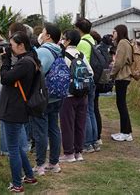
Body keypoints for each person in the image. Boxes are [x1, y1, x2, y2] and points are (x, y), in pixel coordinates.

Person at [0, 31, 40, 192]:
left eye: (12, 46)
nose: (11, 48)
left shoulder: (25, 63)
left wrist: (5, 59)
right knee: (17, 146)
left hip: (13, 110)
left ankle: (17, 185)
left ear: (21, 45)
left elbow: (5, 78)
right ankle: (29, 176)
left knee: (13, 149)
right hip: (17, 108)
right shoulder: (30, 58)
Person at [0, 22, 30, 156]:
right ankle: (21, 148)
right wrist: (5, 42)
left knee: (6, 120)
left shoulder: (9, 50)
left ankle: (8, 150)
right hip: (21, 89)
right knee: (19, 121)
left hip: (7, 88)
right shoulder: (27, 49)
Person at [32, 22, 64, 176]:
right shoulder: (59, 50)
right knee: (54, 129)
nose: (41, 34)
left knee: (41, 132)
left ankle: (40, 165)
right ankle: (54, 163)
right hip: (57, 95)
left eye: (43, 32)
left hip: (44, 97)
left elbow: (38, 73)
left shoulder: (43, 51)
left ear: (48, 36)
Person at [59, 30, 93, 163]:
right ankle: (78, 152)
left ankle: (68, 153)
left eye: (63, 38)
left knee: (67, 124)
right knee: (80, 123)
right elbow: (91, 72)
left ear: (67, 40)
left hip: (68, 95)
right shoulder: (81, 54)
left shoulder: (63, 55)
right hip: (83, 94)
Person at [75, 18, 99, 153]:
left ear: (78, 29)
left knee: (86, 113)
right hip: (93, 79)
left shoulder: (81, 43)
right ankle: (94, 140)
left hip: (84, 80)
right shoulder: (91, 40)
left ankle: (87, 143)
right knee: (91, 110)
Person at [110, 24, 134, 142]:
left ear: (119, 32)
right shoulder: (126, 43)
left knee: (121, 104)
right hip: (125, 76)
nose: (112, 34)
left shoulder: (122, 43)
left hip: (122, 76)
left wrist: (111, 74)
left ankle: (125, 132)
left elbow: (118, 63)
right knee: (121, 104)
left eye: (114, 32)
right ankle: (126, 131)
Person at [94, 34, 114, 145]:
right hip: (103, 82)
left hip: (96, 82)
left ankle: (95, 136)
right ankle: (98, 136)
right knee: (95, 109)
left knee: (92, 110)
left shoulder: (98, 50)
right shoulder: (108, 51)